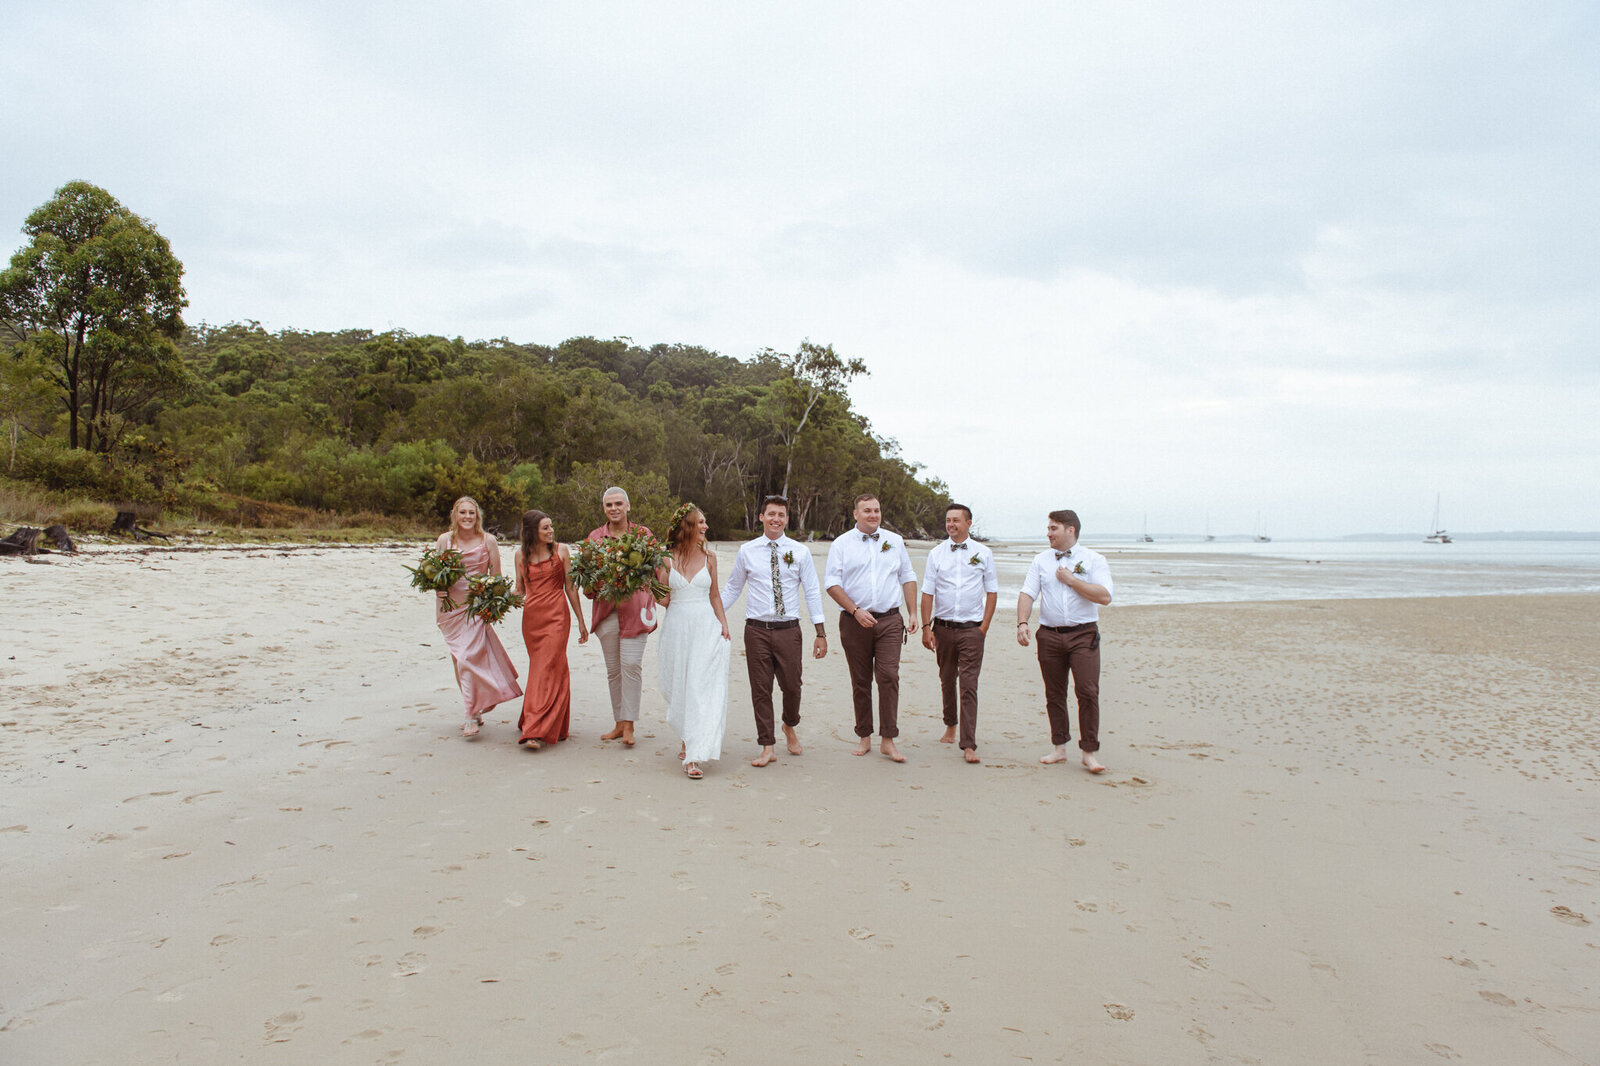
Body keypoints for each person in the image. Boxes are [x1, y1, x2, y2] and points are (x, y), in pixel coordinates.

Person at [720, 495, 828, 768]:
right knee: (761, 689)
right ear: (761, 517)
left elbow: (812, 591)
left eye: (781, 514)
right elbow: (733, 587)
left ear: (787, 519)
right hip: (756, 630)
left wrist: (820, 632)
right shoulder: (747, 551)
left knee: (792, 686)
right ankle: (767, 745)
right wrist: (713, 614)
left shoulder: (800, 552)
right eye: (771, 514)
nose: (776, 519)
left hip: (789, 630)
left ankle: (789, 724)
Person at [1015, 509, 1113, 773]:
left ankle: (1089, 752)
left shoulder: (1094, 560)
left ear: (1071, 530)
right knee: (1054, 693)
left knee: (1088, 692)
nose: (1048, 533)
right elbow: (1027, 593)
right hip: (1049, 635)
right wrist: (1022, 622)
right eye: (1048, 528)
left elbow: (1104, 596)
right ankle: (1059, 748)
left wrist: (1072, 580)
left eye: (1053, 528)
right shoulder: (1040, 560)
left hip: (1084, 635)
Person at [825, 493, 920, 762]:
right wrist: (855, 611)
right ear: (855, 514)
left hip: (890, 619)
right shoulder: (842, 544)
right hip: (854, 621)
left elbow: (908, 576)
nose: (873, 515)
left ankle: (888, 739)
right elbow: (832, 582)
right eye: (867, 510)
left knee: (889, 676)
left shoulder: (895, 540)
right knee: (861, 680)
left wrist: (912, 612)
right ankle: (864, 735)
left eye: (877, 510)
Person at [434, 496, 522, 738]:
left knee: (467, 659)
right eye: (462, 512)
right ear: (455, 515)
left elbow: (496, 577)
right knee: (459, 660)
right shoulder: (445, 540)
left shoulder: (488, 541)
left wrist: (492, 604)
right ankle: (474, 706)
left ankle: (470, 715)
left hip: (475, 607)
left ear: (477, 516)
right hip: (450, 608)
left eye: (471, 513)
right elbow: (434, 574)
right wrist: (438, 587)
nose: (467, 517)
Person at [655, 504, 732, 779]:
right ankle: (687, 738)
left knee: (700, 687)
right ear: (687, 526)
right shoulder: (665, 558)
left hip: (704, 627)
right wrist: (646, 584)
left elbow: (714, 595)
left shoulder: (710, 557)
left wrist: (723, 624)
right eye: (700, 522)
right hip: (677, 627)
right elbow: (664, 599)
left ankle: (694, 755)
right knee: (679, 686)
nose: (706, 527)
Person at [919, 503, 997, 764]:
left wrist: (983, 627)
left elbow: (992, 592)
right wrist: (926, 627)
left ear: (968, 523)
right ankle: (950, 723)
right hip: (943, 628)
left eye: (956, 520)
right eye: (948, 520)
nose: (951, 524)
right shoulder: (936, 554)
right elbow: (928, 592)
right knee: (947, 678)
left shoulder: (983, 553)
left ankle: (968, 743)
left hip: (972, 629)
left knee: (969, 685)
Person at [584, 486, 658, 746]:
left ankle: (630, 725)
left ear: (628, 506)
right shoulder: (594, 538)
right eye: (608, 505)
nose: (613, 508)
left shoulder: (643, 535)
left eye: (618, 504)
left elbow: (658, 572)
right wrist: (595, 584)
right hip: (607, 613)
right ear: (603, 509)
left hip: (637, 612)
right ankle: (618, 723)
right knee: (614, 670)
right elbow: (587, 587)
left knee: (631, 666)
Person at [512, 509, 589, 750]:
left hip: (557, 616)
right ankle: (547, 721)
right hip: (532, 619)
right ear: (532, 531)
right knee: (543, 668)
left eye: (551, 526)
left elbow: (570, 587)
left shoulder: (561, 551)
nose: (550, 531)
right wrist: (492, 598)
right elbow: (519, 589)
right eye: (545, 527)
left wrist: (580, 620)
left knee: (548, 666)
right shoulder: (520, 556)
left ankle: (534, 729)